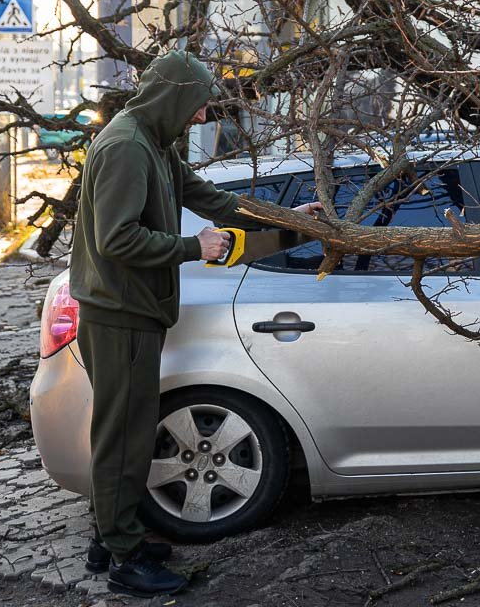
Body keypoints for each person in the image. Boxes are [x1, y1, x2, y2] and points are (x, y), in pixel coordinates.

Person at [69, 51, 321, 597]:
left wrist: (287, 221)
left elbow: (211, 199)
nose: (204, 118)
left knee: (125, 433)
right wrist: (192, 246)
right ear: (174, 97)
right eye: (199, 105)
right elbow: (116, 239)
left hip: (131, 311)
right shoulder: (127, 148)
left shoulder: (153, 143)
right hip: (120, 315)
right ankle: (125, 559)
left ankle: (110, 538)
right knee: (124, 438)